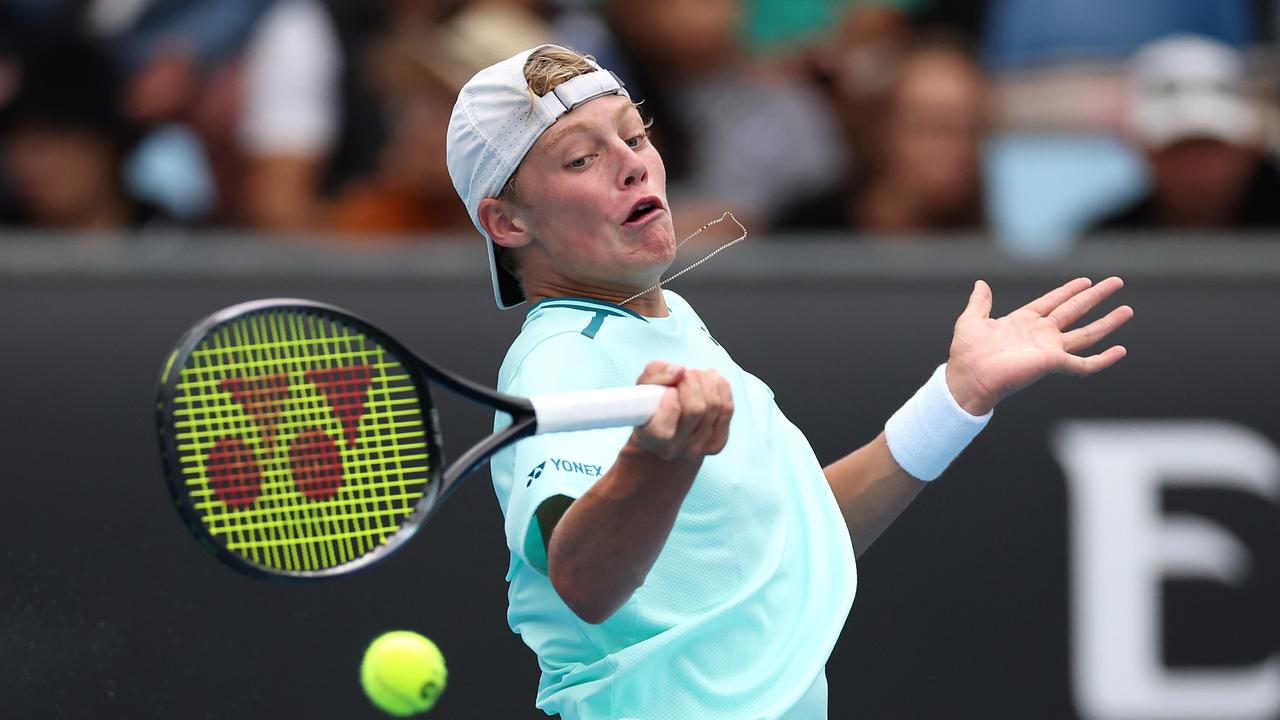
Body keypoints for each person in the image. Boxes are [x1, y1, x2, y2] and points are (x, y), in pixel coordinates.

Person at [446, 44, 1133, 718]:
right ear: (505, 221)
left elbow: (795, 539)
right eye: (582, 158)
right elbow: (583, 579)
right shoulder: (562, 357)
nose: (632, 165)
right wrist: (657, 458)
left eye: (634, 134)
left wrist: (956, 398)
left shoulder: (664, 318)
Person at [1089, 34, 1280, 232]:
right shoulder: (1101, 243)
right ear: (1143, 151)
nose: (1196, 172)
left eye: (1211, 149)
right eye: (1177, 150)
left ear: (1250, 149)